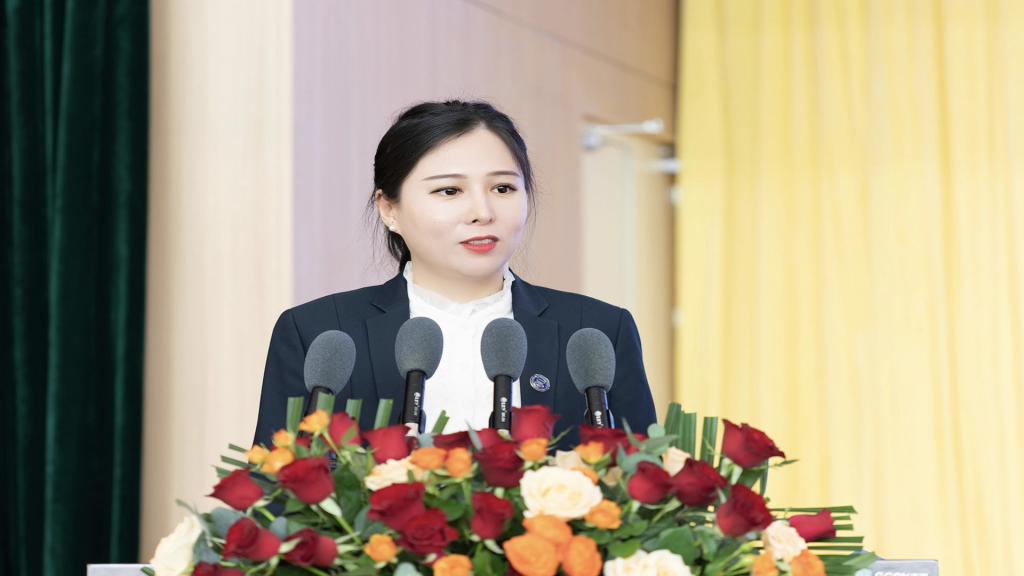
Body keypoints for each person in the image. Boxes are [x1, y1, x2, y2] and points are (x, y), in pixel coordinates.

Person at [253, 100, 656, 449]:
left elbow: (644, 482)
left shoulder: (596, 331)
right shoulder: (319, 333)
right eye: (449, 191)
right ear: (389, 209)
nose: (483, 212)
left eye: (503, 189)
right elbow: (275, 486)